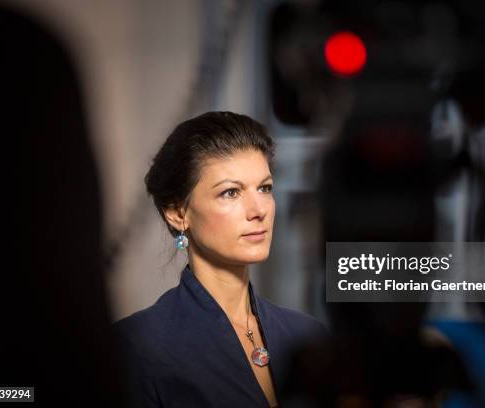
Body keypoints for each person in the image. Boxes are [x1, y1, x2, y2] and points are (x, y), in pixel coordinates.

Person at [113, 111, 328, 407]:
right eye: (230, 192)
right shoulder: (137, 346)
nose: (258, 210)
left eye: (265, 188)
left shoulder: (307, 336)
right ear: (177, 213)